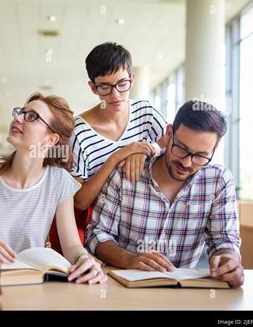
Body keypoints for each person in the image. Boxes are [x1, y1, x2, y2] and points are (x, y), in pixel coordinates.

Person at [0, 93, 107, 285]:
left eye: (32, 116)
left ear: (51, 140)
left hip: (30, 285)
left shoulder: (59, 181)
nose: (17, 118)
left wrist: (83, 259)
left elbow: (71, 246)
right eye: (21, 112)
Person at [86, 100, 244, 288]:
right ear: (169, 134)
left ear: (214, 150)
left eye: (200, 155)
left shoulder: (218, 180)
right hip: (123, 289)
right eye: (181, 149)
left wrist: (229, 260)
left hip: (183, 294)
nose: (186, 163)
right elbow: (98, 234)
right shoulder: (126, 173)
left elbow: (224, 241)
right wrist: (130, 260)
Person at [49, 42, 167, 253]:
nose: (115, 95)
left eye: (122, 84)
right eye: (105, 87)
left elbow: (173, 153)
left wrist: (144, 149)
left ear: (132, 79)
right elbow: (80, 202)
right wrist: (118, 157)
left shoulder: (146, 113)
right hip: (104, 228)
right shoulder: (79, 133)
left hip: (146, 219)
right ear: (93, 87)